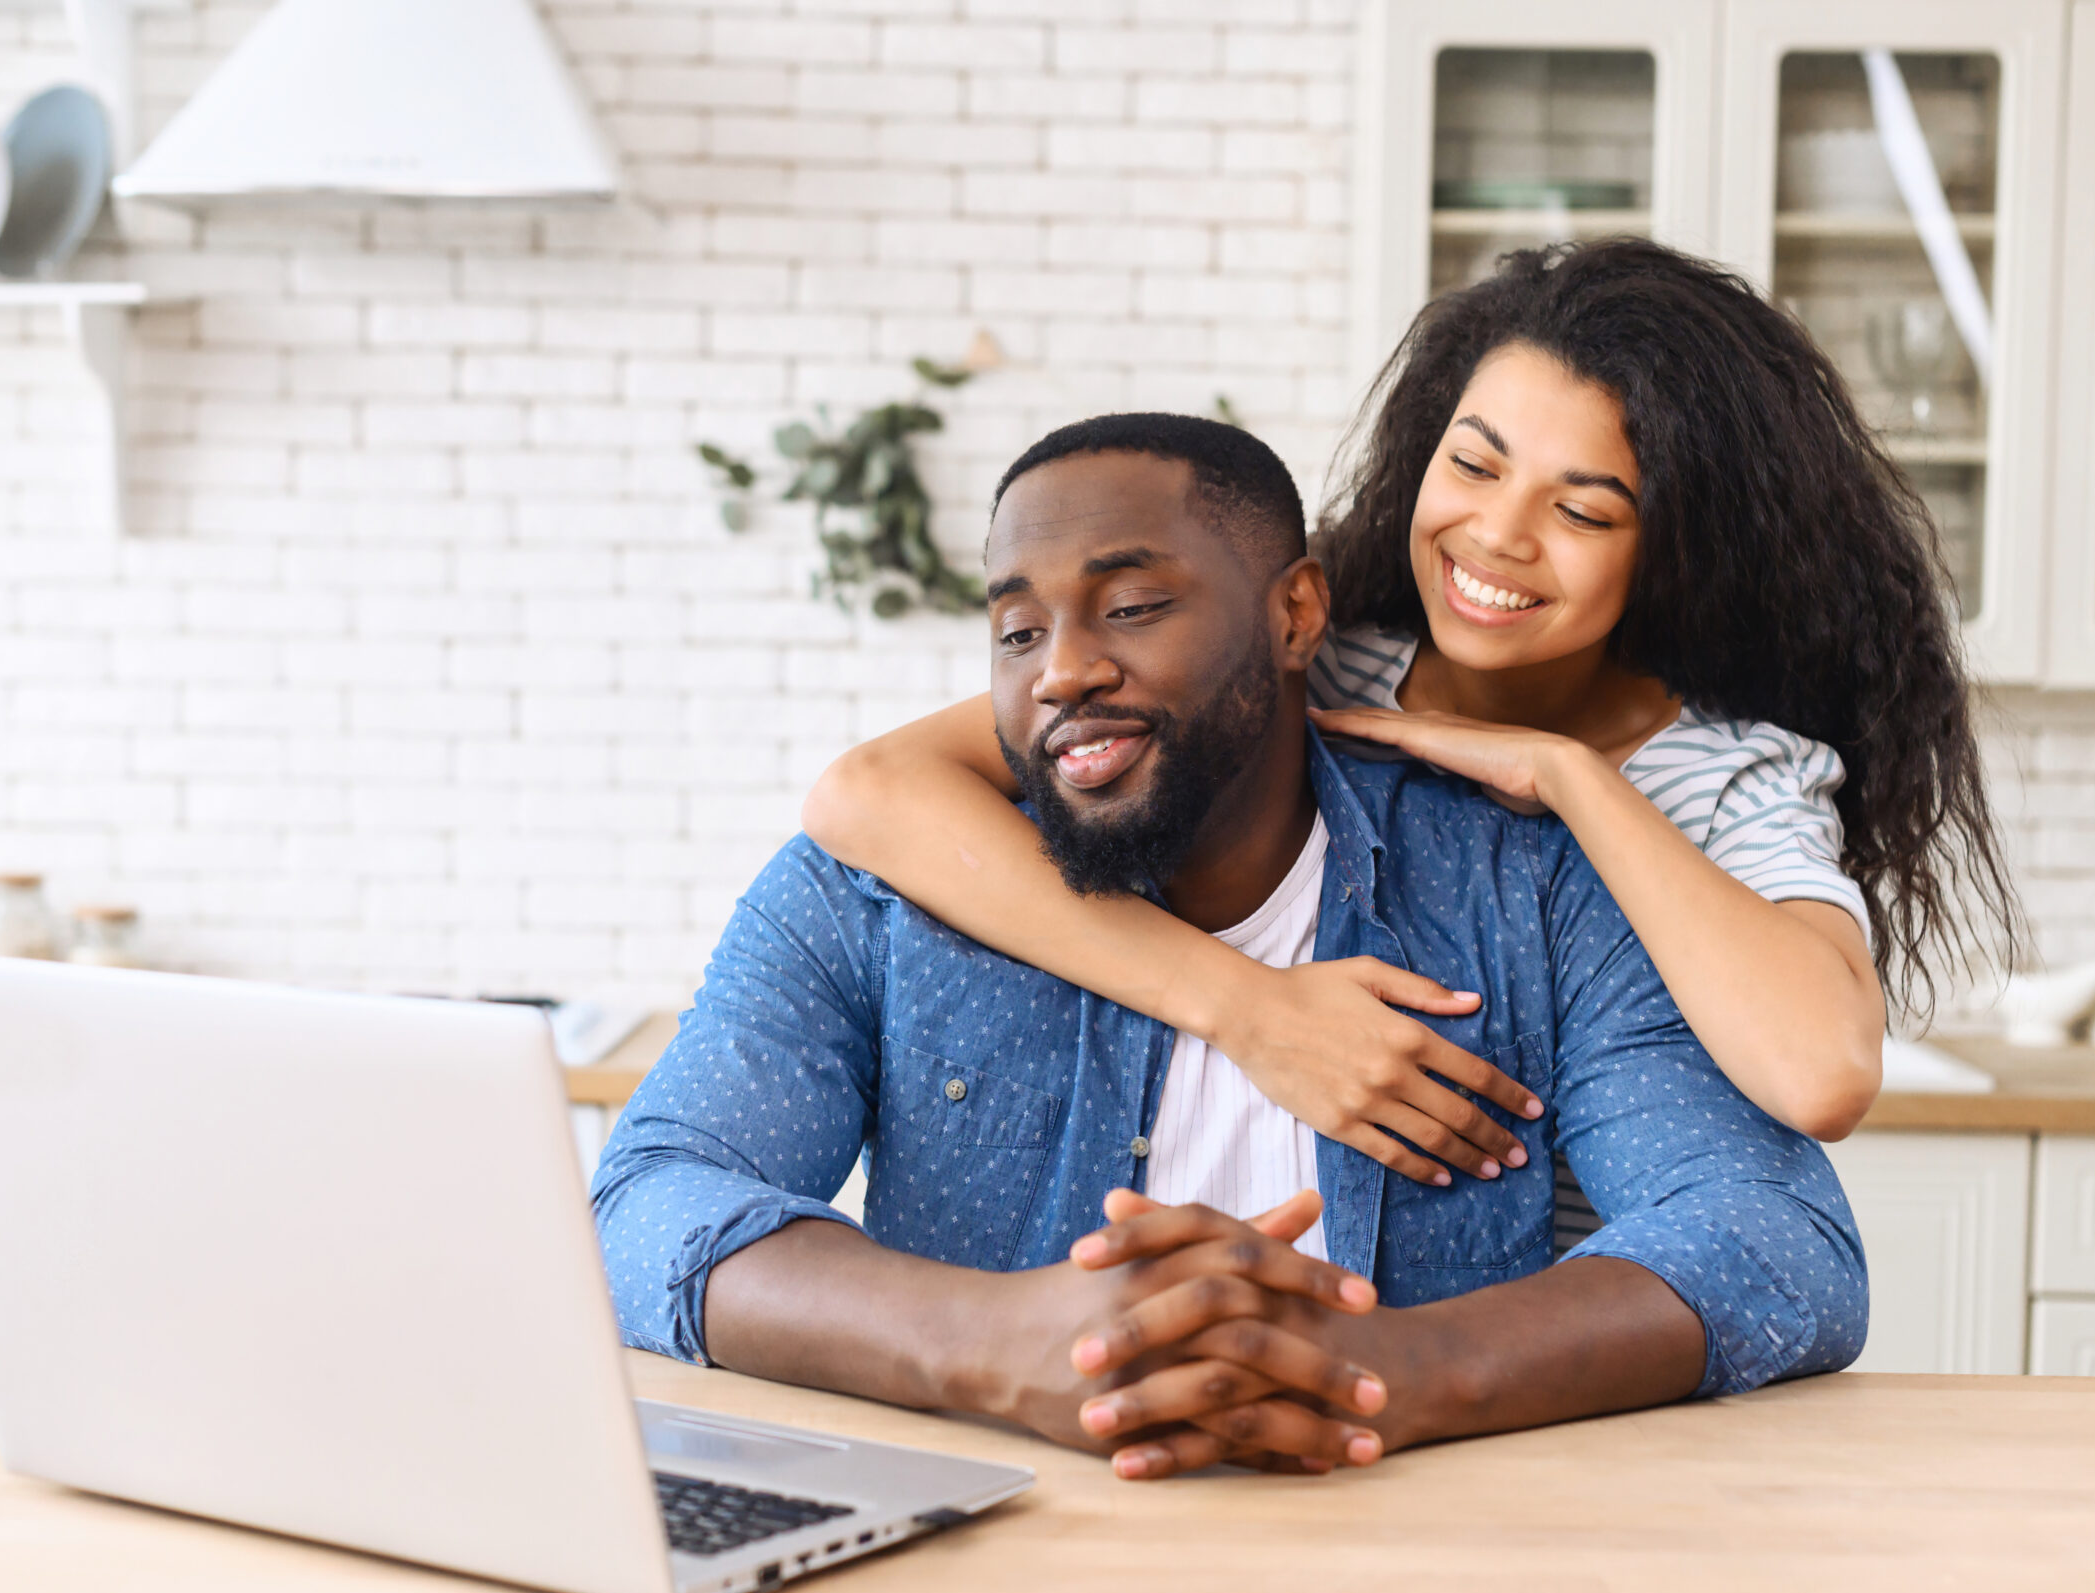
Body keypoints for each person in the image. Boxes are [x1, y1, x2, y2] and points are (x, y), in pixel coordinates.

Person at [592, 415, 1866, 1481]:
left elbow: (1774, 1239)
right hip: (984, 1577)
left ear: (1298, 611)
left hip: (1417, 1582)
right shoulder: (875, 894)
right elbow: (647, 1203)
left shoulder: (1522, 885)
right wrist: (991, 1339)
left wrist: (1389, 1367)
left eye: (1134, 605)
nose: (1063, 673)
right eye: (1018, 631)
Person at [800, 240, 2021, 1224]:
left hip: (1570, 1336)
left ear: (1677, 548)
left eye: (1581, 510)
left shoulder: (1728, 772)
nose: (1494, 536)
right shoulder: (1321, 650)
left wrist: (1572, 778)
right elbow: (868, 792)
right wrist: (1247, 1008)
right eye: (1473, 465)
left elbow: (1822, 1073)